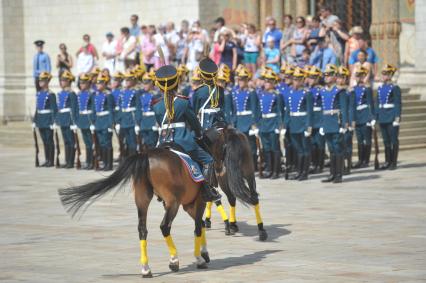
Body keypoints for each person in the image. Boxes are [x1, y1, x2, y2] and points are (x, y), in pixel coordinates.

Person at [153, 64, 221, 202]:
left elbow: (161, 123)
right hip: (182, 141)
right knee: (208, 159)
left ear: (160, 86)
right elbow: (194, 123)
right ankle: (207, 191)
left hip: (163, 141)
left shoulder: (156, 105)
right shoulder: (183, 102)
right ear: (176, 83)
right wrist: (200, 134)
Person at [320, 64, 347, 183]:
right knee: (331, 148)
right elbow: (322, 109)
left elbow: (344, 109)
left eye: (328, 75)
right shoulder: (323, 91)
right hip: (327, 122)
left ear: (335, 76)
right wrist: (322, 124)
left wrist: (343, 125)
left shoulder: (339, 91)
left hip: (336, 122)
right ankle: (332, 173)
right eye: (325, 75)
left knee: (337, 148)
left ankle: (339, 174)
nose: (326, 77)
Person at [284, 67, 313, 181]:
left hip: (303, 123)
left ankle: (304, 172)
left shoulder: (307, 93)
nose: (296, 81)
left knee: (305, 149)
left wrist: (308, 126)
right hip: (293, 124)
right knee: (298, 149)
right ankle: (299, 171)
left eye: (298, 79)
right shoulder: (290, 93)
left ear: (302, 80)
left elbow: (310, 112)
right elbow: (287, 111)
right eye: (294, 79)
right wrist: (285, 125)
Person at [230, 66, 258, 168]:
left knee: (251, 146)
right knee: (240, 146)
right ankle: (243, 166)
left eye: (242, 79)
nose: (240, 81)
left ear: (247, 80)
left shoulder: (251, 93)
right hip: (239, 122)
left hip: (248, 122)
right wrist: (234, 122)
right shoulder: (236, 93)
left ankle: (253, 165)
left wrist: (254, 124)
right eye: (239, 79)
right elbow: (235, 110)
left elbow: (255, 109)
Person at [256, 68, 282, 179]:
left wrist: (279, 125)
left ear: (273, 83)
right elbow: (258, 111)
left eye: (268, 81)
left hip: (273, 124)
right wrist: (258, 124)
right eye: (265, 81)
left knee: (274, 148)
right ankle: (269, 169)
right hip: (264, 124)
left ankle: (276, 170)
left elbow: (280, 111)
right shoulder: (261, 95)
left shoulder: (277, 95)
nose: (266, 83)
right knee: (266, 148)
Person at [376, 64, 401, 170]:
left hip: (391, 116)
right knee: (386, 140)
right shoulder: (380, 88)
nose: (383, 75)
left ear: (391, 75)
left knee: (393, 140)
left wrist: (397, 117)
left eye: (386, 73)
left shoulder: (395, 87)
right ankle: (387, 161)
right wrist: (375, 117)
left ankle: (393, 162)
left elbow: (397, 103)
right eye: (383, 73)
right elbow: (377, 103)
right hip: (382, 116)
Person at [192, 58, 226, 130]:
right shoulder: (220, 90)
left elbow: (194, 112)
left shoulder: (198, 92)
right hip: (220, 124)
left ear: (202, 76)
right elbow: (223, 108)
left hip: (205, 125)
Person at [351, 67, 375, 169]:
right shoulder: (353, 90)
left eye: (360, 75)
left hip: (365, 116)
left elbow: (371, 104)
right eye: (357, 75)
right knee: (360, 140)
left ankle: (366, 160)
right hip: (357, 116)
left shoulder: (367, 89)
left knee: (367, 140)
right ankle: (360, 160)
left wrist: (372, 118)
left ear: (364, 76)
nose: (358, 78)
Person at [33, 72, 56, 167]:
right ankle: (47, 159)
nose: (40, 82)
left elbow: (54, 109)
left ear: (47, 81)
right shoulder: (39, 94)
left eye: (42, 80)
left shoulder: (51, 94)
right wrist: (35, 121)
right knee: (44, 141)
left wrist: (53, 121)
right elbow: (37, 108)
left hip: (47, 120)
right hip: (40, 120)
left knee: (49, 140)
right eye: (40, 80)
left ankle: (51, 160)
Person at [55, 70, 78, 168]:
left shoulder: (71, 93)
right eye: (61, 80)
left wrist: (74, 122)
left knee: (71, 141)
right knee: (66, 141)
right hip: (63, 119)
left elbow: (74, 108)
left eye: (64, 80)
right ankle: (67, 160)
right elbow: (59, 108)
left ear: (69, 81)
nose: (62, 82)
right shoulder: (60, 93)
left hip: (69, 119)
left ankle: (71, 161)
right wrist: (57, 120)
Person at [115, 70, 140, 157]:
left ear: (133, 80)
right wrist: (118, 122)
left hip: (132, 119)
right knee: (125, 142)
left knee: (133, 142)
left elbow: (138, 108)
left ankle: (133, 161)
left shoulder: (136, 92)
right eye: (126, 79)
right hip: (124, 120)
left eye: (129, 79)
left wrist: (137, 123)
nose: (127, 81)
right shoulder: (122, 92)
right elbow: (120, 108)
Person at [305, 65, 325, 173]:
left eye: (313, 77)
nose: (310, 79)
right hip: (311, 120)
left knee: (320, 143)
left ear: (317, 78)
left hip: (320, 119)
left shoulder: (321, 90)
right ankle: (314, 163)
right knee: (312, 143)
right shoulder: (307, 91)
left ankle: (320, 165)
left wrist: (323, 123)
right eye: (309, 77)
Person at [93, 74, 114, 171]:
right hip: (99, 121)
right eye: (97, 83)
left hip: (106, 121)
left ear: (105, 84)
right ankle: (104, 163)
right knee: (101, 143)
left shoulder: (108, 95)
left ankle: (109, 164)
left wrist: (111, 123)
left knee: (107, 143)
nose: (98, 85)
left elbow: (111, 110)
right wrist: (94, 123)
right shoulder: (96, 95)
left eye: (100, 83)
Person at [76, 73, 95, 169]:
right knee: (86, 142)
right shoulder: (78, 94)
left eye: (84, 83)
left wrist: (93, 121)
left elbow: (94, 108)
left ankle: (92, 161)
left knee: (92, 142)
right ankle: (88, 161)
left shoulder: (91, 94)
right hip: (82, 120)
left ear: (88, 83)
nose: (82, 84)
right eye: (81, 83)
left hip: (89, 120)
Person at [136, 71, 160, 149]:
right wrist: (138, 123)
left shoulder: (157, 95)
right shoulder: (142, 95)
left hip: (152, 121)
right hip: (144, 122)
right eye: (144, 83)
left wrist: (157, 123)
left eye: (147, 83)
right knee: (145, 144)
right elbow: (139, 109)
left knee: (153, 144)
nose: (144, 85)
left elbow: (158, 110)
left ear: (152, 83)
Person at [336, 66, 352, 175]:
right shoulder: (336, 91)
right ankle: (341, 165)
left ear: (346, 78)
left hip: (347, 120)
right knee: (340, 144)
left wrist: (349, 122)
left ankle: (348, 165)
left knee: (347, 145)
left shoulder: (349, 91)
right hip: (338, 120)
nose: (339, 79)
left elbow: (350, 108)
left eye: (342, 77)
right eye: (338, 77)